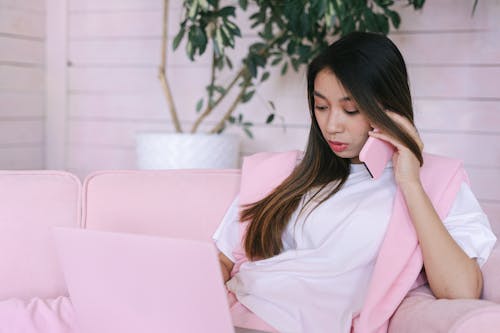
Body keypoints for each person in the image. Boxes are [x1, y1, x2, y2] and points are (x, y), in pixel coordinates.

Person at [212, 31, 497, 333]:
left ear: (389, 107)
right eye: (321, 107)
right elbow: (221, 261)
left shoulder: (438, 182)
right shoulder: (282, 173)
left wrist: (410, 182)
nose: (332, 125)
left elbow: (461, 290)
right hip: (235, 317)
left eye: (351, 110)